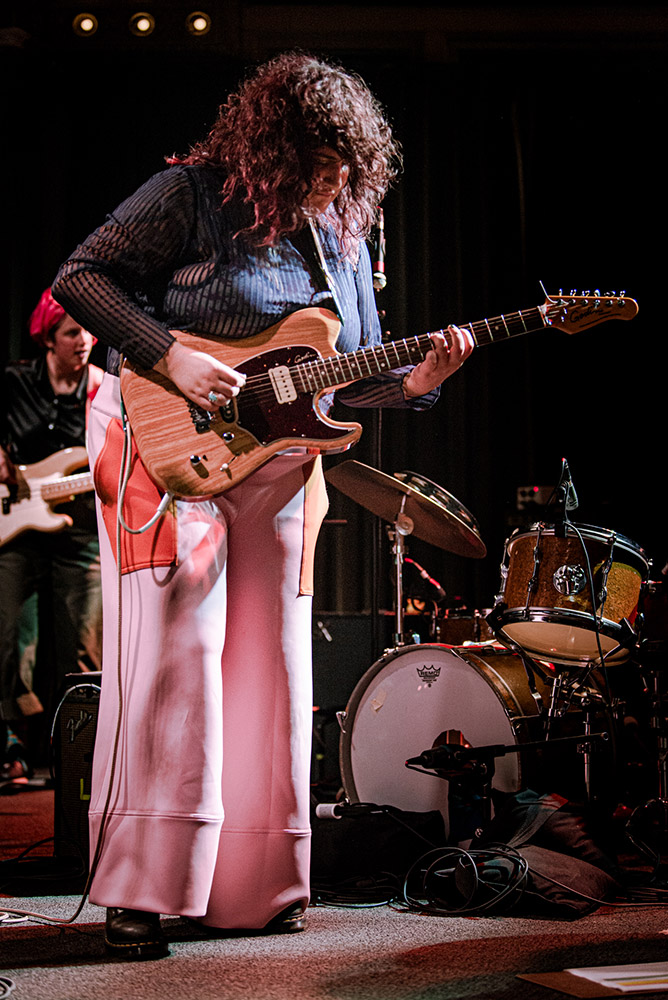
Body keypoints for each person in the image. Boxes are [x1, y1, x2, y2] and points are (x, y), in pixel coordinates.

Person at [52, 51, 474, 959]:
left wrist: (421, 382)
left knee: (271, 665)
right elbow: (81, 276)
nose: (330, 184)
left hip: (281, 462)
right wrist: (168, 352)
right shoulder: (194, 193)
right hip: (168, 444)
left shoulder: (349, 236)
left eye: (344, 170)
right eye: (317, 164)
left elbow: (345, 383)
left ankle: (255, 882)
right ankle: (144, 890)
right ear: (275, 146)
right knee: (179, 657)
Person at [0, 288, 103, 783]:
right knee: (10, 642)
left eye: (87, 331)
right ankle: (12, 746)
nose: (83, 341)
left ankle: (79, 756)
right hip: (15, 528)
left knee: (83, 647)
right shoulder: (16, 381)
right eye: (71, 332)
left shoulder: (103, 388)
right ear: (48, 337)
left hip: (79, 528)